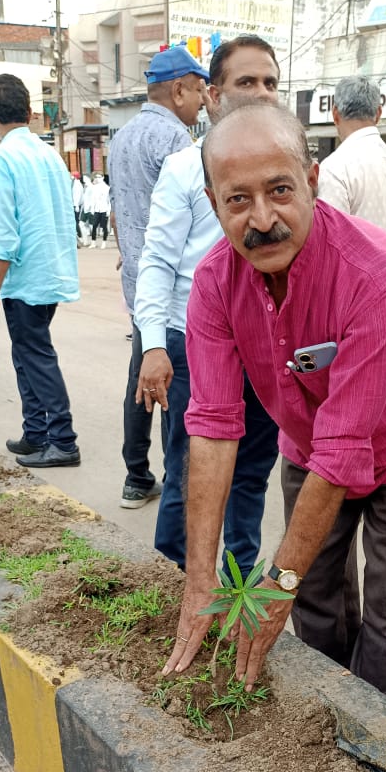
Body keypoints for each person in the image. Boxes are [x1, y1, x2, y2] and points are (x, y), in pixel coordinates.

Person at [164, 104, 386, 702]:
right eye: (238, 200)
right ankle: (323, 709)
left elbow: (344, 444)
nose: (263, 219)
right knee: (316, 598)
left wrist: (275, 585)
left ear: (313, 178)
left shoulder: (375, 270)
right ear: (212, 200)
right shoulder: (214, 284)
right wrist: (200, 582)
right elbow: (214, 428)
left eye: (280, 190)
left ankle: (372, 732)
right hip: (308, 439)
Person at [134, 36, 281, 575]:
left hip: (266, 345)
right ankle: (169, 586)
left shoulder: (292, 171)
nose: (262, 93)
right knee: (190, 470)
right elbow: (156, 262)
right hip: (194, 342)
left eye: (270, 82)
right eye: (247, 82)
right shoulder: (184, 168)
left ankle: (236, 587)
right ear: (214, 95)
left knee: (252, 472)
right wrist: (153, 346)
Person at [109, 45, 208, 509]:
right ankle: (176, 486)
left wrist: (128, 255)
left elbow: (118, 209)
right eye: (200, 88)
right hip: (169, 292)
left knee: (141, 377)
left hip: (138, 283)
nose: (204, 99)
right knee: (173, 391)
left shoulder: (122, 136)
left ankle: (134, 476)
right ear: (179, 88)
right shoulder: (177, 143)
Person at [0, 73, 81, 468]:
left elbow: (4, 235)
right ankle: (36, 432)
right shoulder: (48, 154)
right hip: (51, 271)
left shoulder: (2, 157)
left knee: (35, 355)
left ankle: (63, 440)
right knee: (27, 354)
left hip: (24, 277)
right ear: (29, 111)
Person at [317, 75, 386, 253]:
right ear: (378, 114)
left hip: (355, 280)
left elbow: (328, 243)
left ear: (335, 114)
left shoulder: (334, 168)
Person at [87, 172, 110, 248]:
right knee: (94, 226)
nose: (98, 178)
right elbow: (93, 199)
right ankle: (93, 242)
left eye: (99, 177)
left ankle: (104, 242)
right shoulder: (95, 188)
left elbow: (109, 200)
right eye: (96, 177)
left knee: (104, 226)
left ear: (103, 177)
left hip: (104, 209)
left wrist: (108, 210)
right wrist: (92, 208)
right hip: (97, 209)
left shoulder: (107, 188)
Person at [71, 172, 84, 245]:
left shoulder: (76, 184)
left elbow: (77, 195)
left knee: (75, 222)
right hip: (76, 205)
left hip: (75, 205)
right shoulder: (76, 184)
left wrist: (76, 205)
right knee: (76, 221)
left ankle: (79, 236)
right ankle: (79, 236)